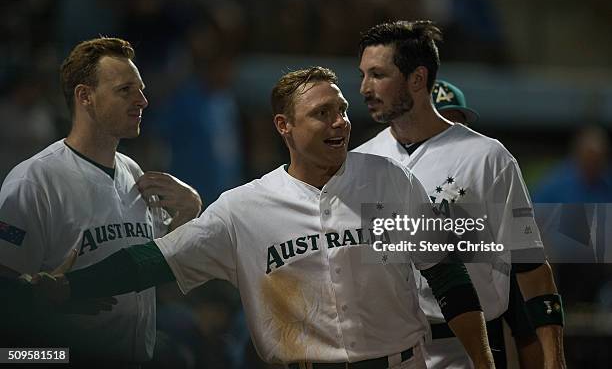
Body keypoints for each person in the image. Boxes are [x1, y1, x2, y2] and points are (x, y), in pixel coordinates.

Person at [31, 67, 496, 369]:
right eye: (321, 114)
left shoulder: (390, 180)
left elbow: (447, 276)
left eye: (342, 111)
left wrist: (483, 362)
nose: (340, 123)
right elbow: (152, 261)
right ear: (284, 127)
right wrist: (71, 286)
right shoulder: (243, 208)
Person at [353, 20, 566, 369]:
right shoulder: (360, 162)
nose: (364, 87)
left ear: (417, 79)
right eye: (363, 74)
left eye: (378, 74)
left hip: (470, 350)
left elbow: (530, 266)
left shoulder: (487, 157)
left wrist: (554, 360)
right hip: (388, 349)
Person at [0, 37, 202, 366]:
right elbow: (5, 306)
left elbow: (156, 272)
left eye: (141, 89)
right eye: (126, 90)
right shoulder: (35, 180)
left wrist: (190, 212)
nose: (143, 101)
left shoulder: (134, 171)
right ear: (85, 97)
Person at [432, 79, 544, 369]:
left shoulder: (489, 168)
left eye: (458, 123)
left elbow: (527, 329)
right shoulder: (392, 173)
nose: (451, 132)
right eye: (443, 121)